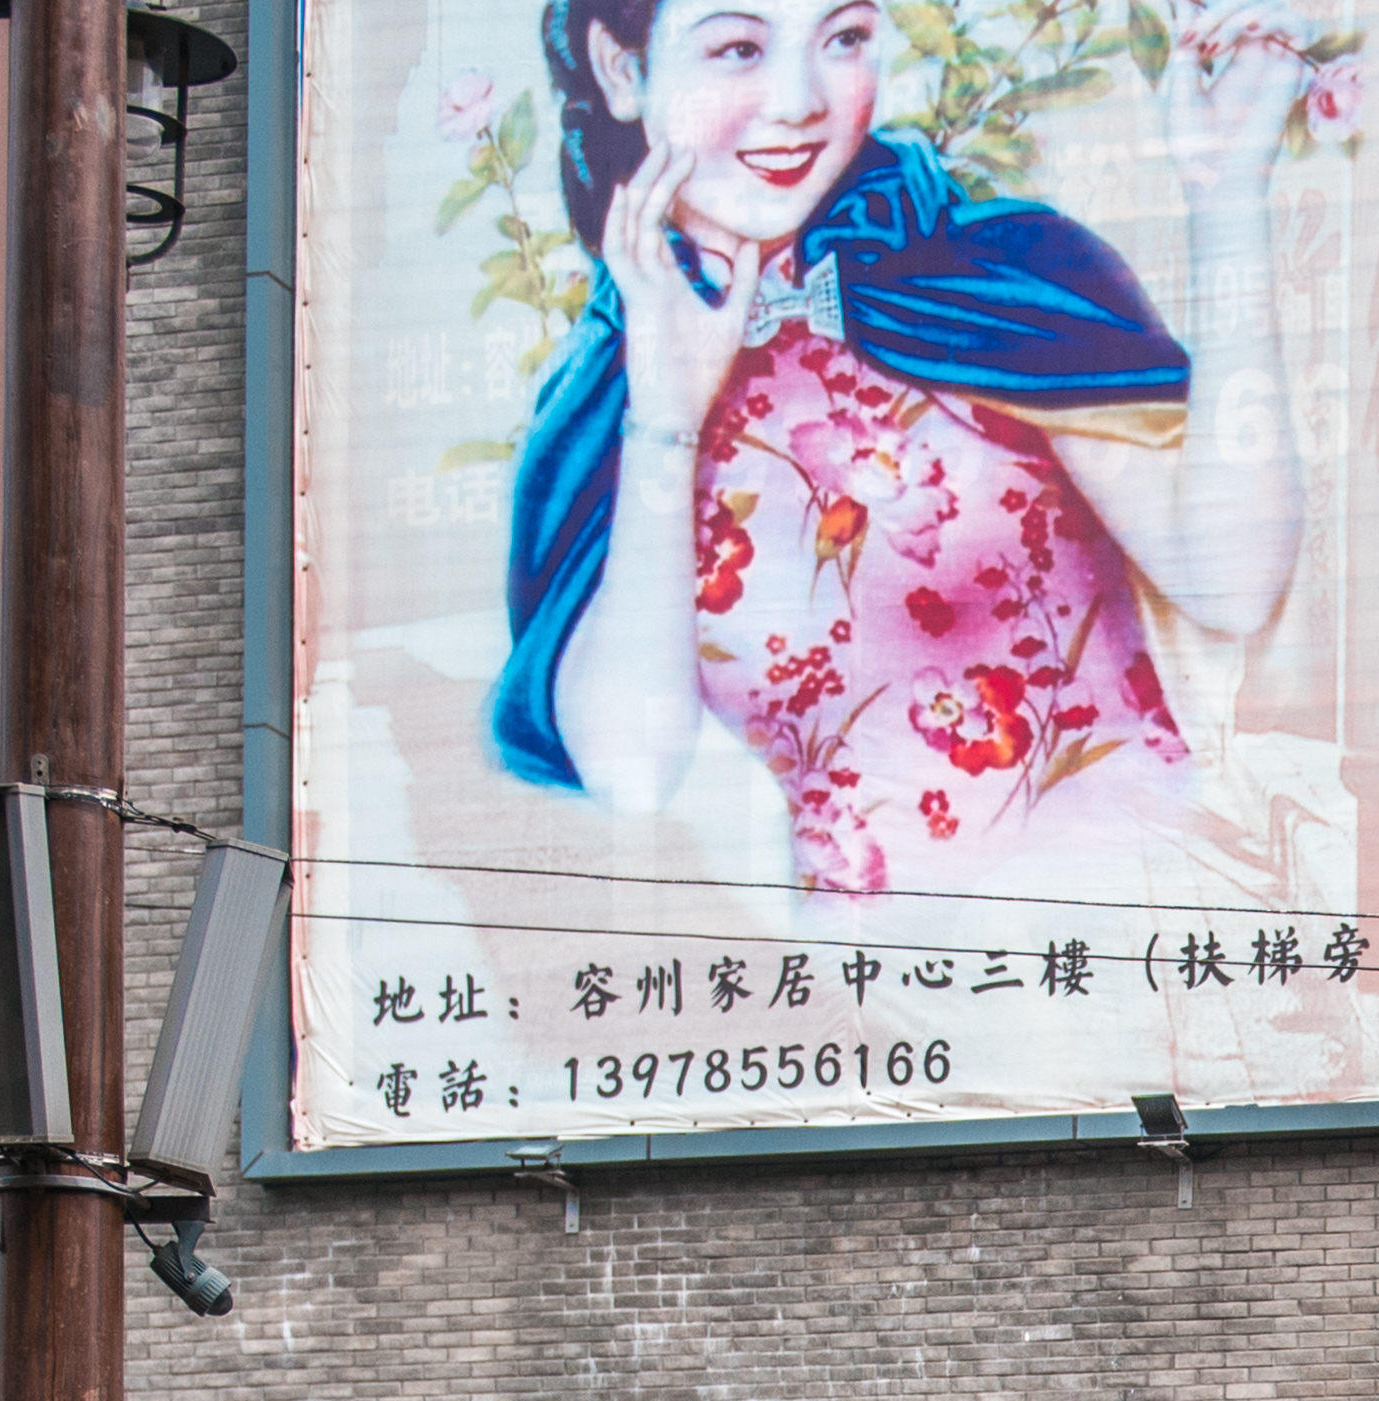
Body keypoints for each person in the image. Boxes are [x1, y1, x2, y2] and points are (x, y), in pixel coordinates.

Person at [495, 0, 1310, 900]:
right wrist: (665, 414)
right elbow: (632, 773)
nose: (799, 102)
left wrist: (1229, 198)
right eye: (738, 48)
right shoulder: (610, 394)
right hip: (871, 975)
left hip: (1125, 919)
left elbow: (1232, 586)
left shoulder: (997, 274)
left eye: (842, 38)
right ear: (621, 69)